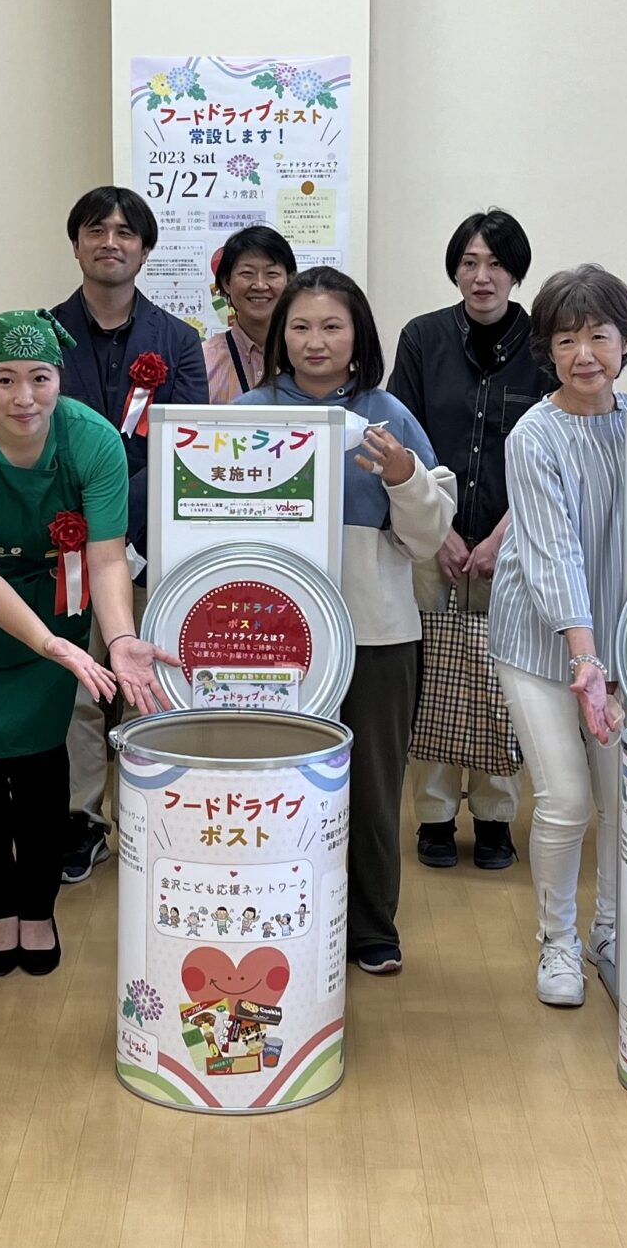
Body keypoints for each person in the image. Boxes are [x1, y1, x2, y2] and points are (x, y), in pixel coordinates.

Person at [0, 310, 176, 976]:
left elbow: (108, 557)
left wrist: (120, 636)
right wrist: (52, 646)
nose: (24, 397)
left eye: (40, 378)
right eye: (4, 380)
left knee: (39, 756)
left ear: (59, 377)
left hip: (56, 599)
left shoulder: (92, 440)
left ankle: (37, 908)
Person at [235, 268, 457, 975]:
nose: (315, 341)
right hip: (268, 638)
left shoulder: (390, 417)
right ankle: (275, 916)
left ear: (359, 334)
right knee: (273, 779)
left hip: (376, 633)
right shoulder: (247, 412)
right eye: (300, 326)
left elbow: (427, 539)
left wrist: (403, 476)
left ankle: (370, 928)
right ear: (280, 336)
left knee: (372, 786)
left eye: (332, 326)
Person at [489, 265, 627, 1009]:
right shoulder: (534, 434)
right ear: (547, 350)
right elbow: (552, 554)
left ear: (626, 342)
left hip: (625, 641)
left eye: (598, 336)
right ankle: (556, 942)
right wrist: (584, 658)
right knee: (563, 797)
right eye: (565, 340)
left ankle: (610, 933)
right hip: (539, 641)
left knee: (623, 798)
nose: (583, 354)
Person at [388, 207, 555, 871]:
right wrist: (441, 530)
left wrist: (500, 536)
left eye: (496, 264)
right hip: (432, 539)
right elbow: (403, 437)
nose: (482, 276)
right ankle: (433, 815)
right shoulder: (422, 338)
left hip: (515, 542)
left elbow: (554, 450)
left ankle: (494, 817)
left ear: (516, 272)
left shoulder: (545, 344)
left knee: (501, 678)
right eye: (469, 263)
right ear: (454, 270)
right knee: (434, 675)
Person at [51, 187, 208, 884]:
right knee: (78, 690)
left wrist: (116, 520)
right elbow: (28, 431)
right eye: (96, 229)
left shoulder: (178, 340)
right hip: (61, 542)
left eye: (125, 232)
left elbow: (183, 449)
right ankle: (81, 819)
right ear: (76, 244)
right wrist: (84, 524)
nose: (110, 241)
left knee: (147, 685)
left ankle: (154, 815)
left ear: (145, 250)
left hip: (148, 544)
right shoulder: (43, 333)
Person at [203, 224, 295, 404]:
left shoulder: (307, 355)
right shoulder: (203, 360)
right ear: (227, 282)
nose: (260, 285)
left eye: (272, 273)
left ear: (290, 281)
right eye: (247, 273)